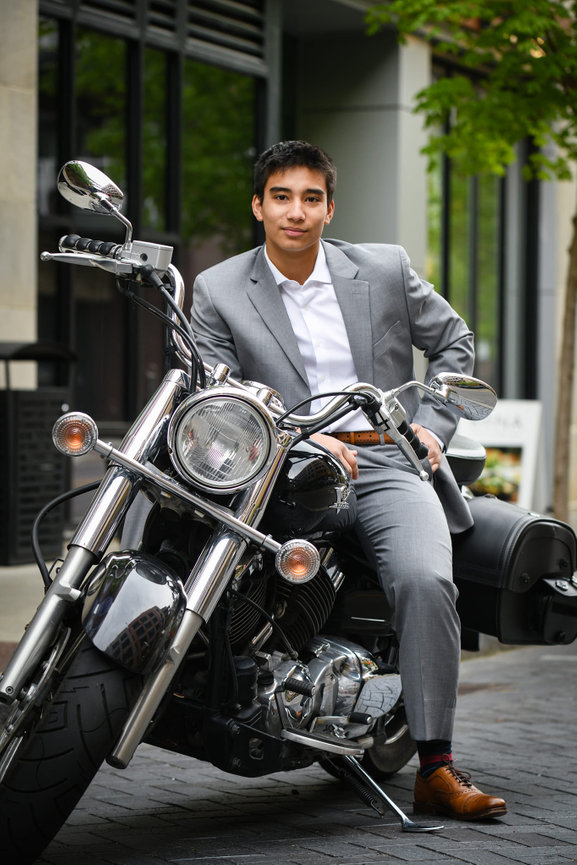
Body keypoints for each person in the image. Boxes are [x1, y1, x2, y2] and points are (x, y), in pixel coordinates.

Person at [190, 140, 507, 821]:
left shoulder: (383, 268)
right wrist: (302, 435)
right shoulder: (217, 288)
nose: (295, 212)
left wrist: (432, 425)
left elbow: (453, 342)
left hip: (385, 460)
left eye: (311, 198)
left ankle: (436, 766)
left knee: (426, 581)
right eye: (281, 197)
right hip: (282, 466)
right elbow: (215, 392)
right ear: (257, 206)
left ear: (329, 209)